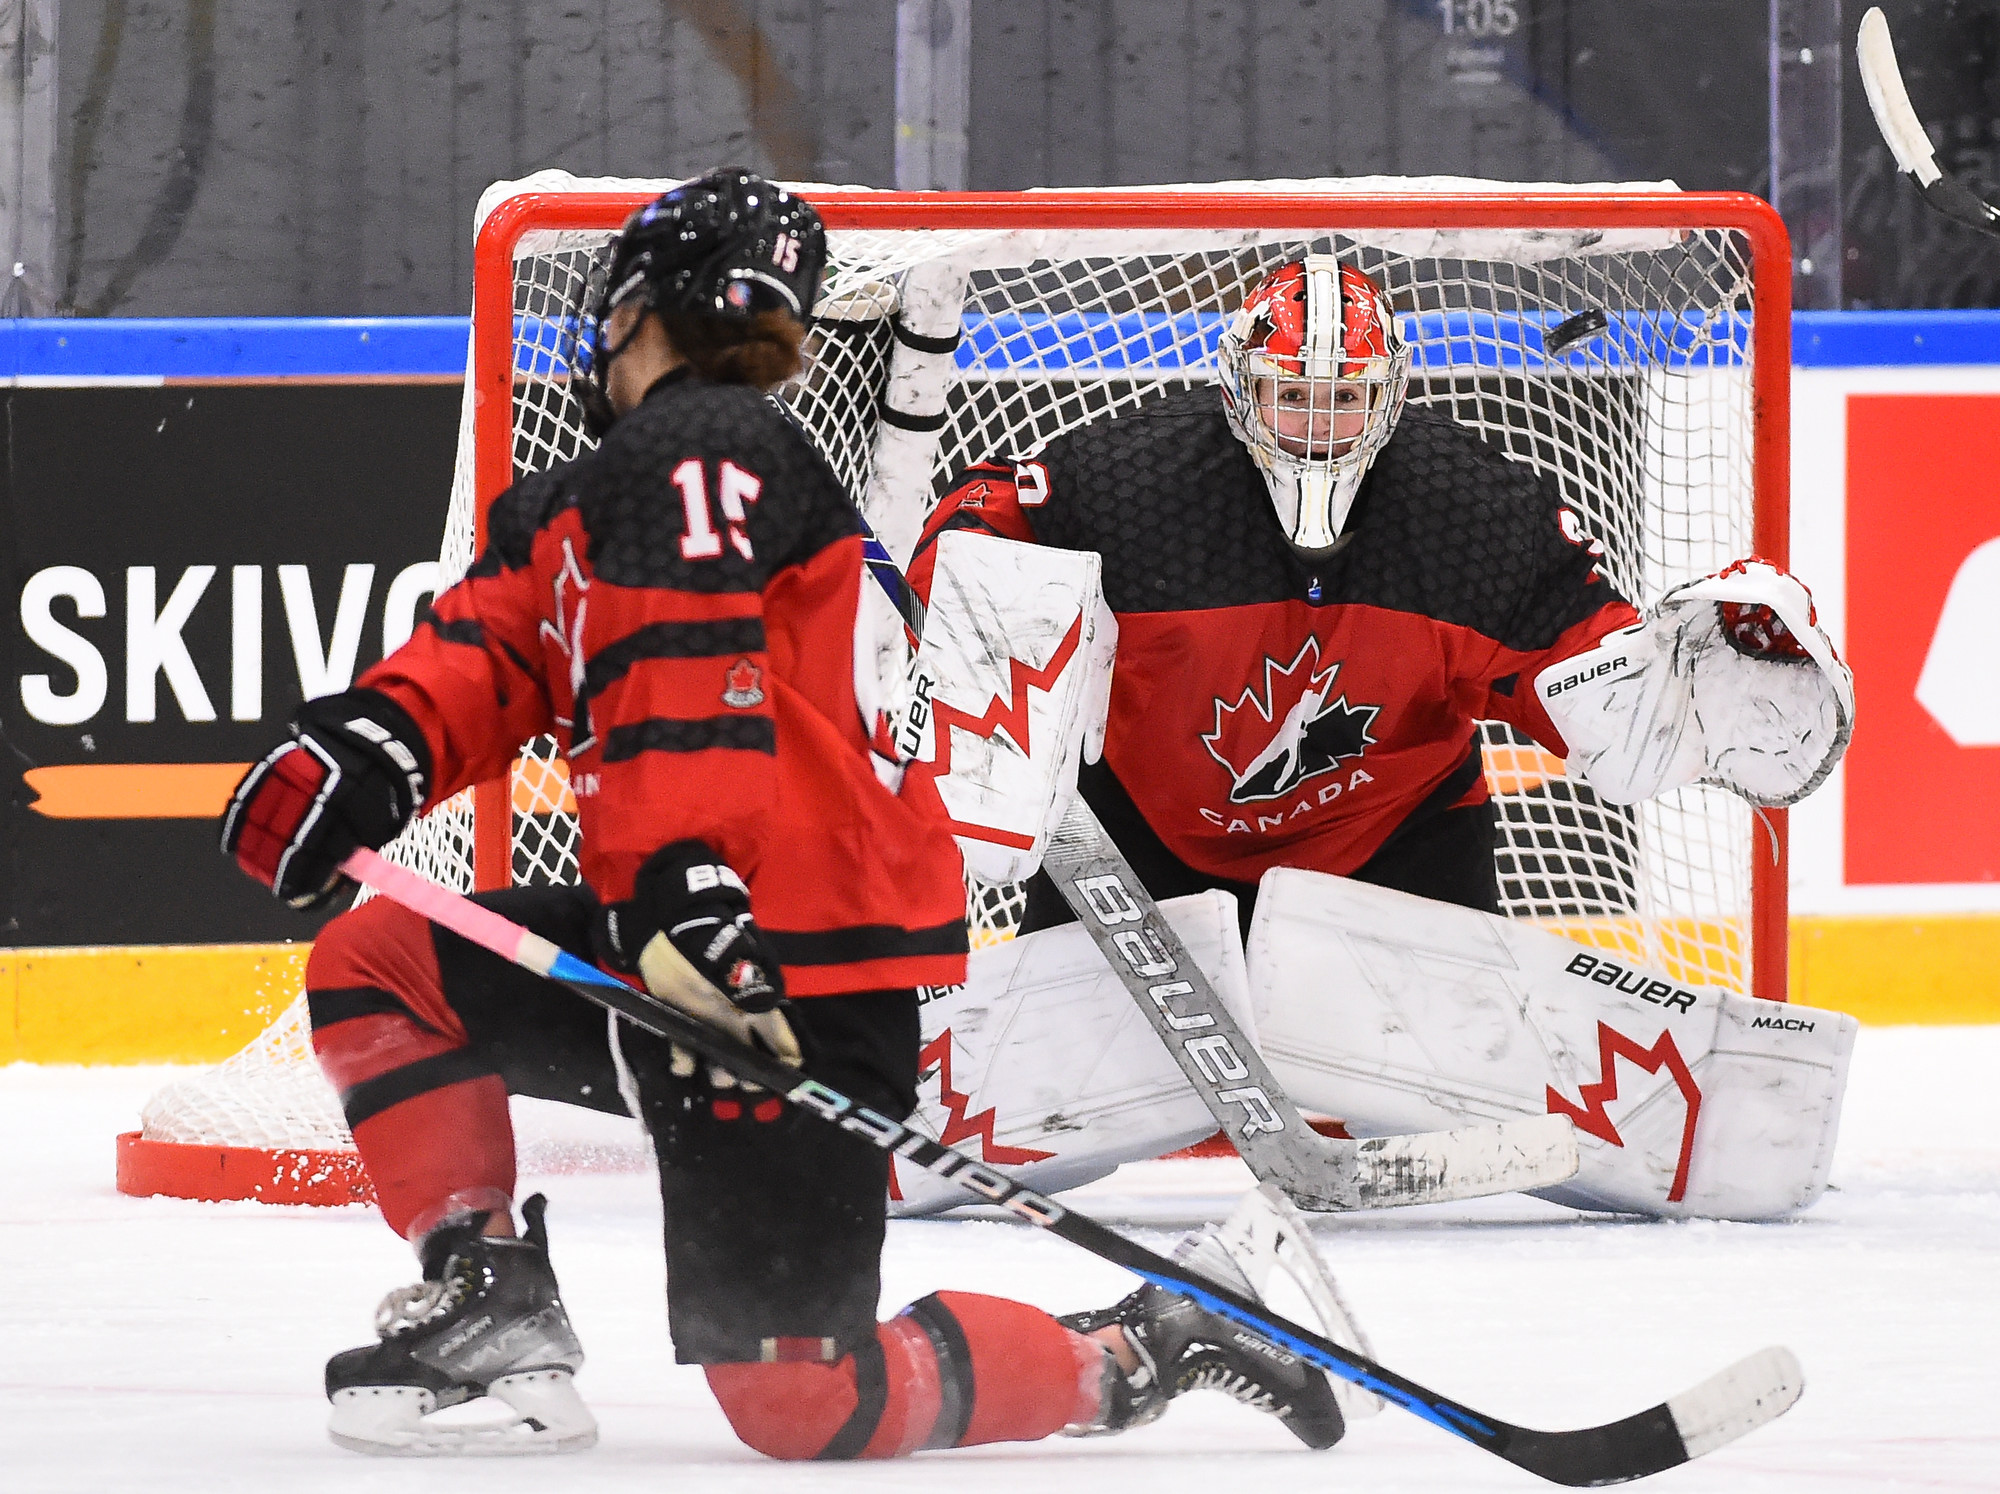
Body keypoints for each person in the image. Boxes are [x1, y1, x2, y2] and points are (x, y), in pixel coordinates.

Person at [219, 171, 1353, 1460]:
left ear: (634, 306)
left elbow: (693, 688)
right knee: (384, 963)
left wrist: (682, 896)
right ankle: (491, 1303)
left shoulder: (710, 453)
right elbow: (489, 657)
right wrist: (370, 749)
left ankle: (1158, 1337)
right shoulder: (595, 499)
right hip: (692, 938)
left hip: (794, 970)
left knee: (807, 1406)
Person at [907, 254, 1836, 941]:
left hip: (1396, 852)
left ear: (1390, 398)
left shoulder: (1472, 513)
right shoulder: (1135, 480)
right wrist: (963, 608)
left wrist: (1674, 696)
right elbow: (978, 519)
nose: (1318, 429)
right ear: (1240, 391)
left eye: (1345, 400)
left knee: (1438, 1114)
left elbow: (1592, 678)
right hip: (1140, 845)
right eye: (1292, 397)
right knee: (1065, 1108)